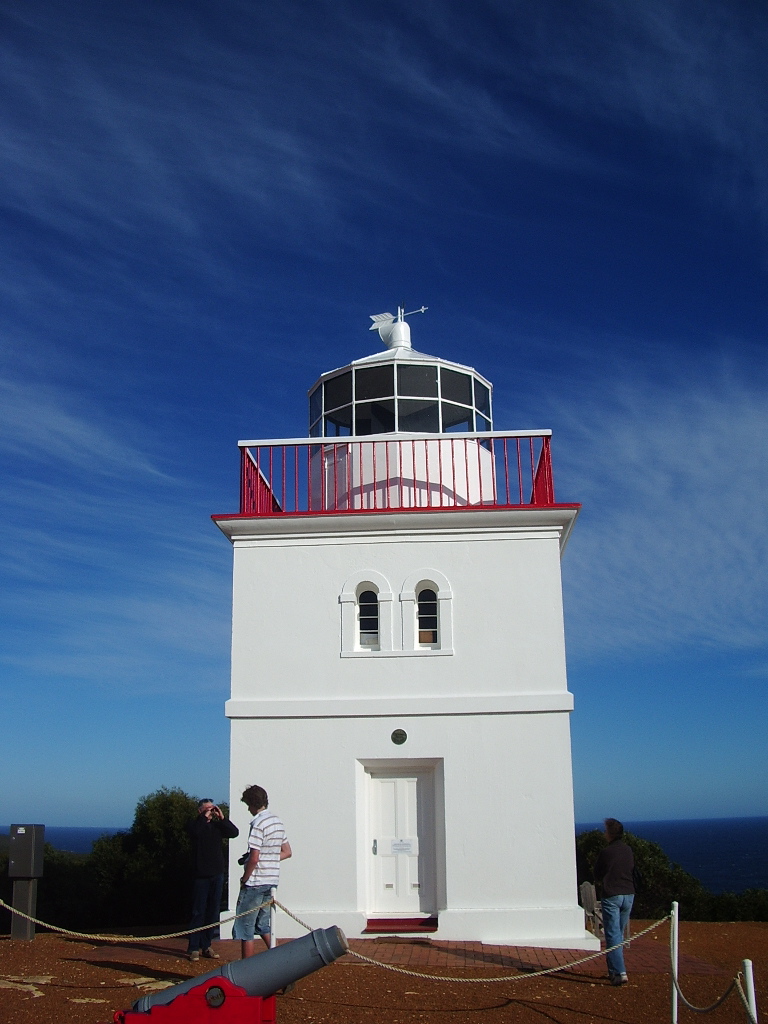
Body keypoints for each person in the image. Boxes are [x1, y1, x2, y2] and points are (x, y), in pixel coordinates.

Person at [233, 784, 292, 958]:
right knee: (263, 925)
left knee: (246, 928)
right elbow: (287, 852)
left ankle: (247, 970)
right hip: (271, 881)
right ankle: (281, 961)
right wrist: (269, 858)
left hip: (255, 881)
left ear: (252, 804)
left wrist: (244, 878)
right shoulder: (277, 821)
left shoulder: (258, 824)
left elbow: (254, 858)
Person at [186, 798, 239, 962]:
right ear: (200, 811)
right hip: (200, 875)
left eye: (212, 808)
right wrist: (204, 817)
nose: (210, 811)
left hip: (217, 873)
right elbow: (195, 832)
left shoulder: (217, 827)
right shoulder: (195, 825)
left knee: (213, 911)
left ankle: (206, 945)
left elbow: (234, 833)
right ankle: (193, 947)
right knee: (198, 912)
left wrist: (222, 818)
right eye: (207, 808)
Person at [593, 817, 635, 986]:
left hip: (612, 895)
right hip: (629, 894)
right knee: (619, 933)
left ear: (610, 833)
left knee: (612, 934)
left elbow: (597, 873)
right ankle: (613, 971)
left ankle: (619, 972)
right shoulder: (628, 850)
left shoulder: (606, 852)